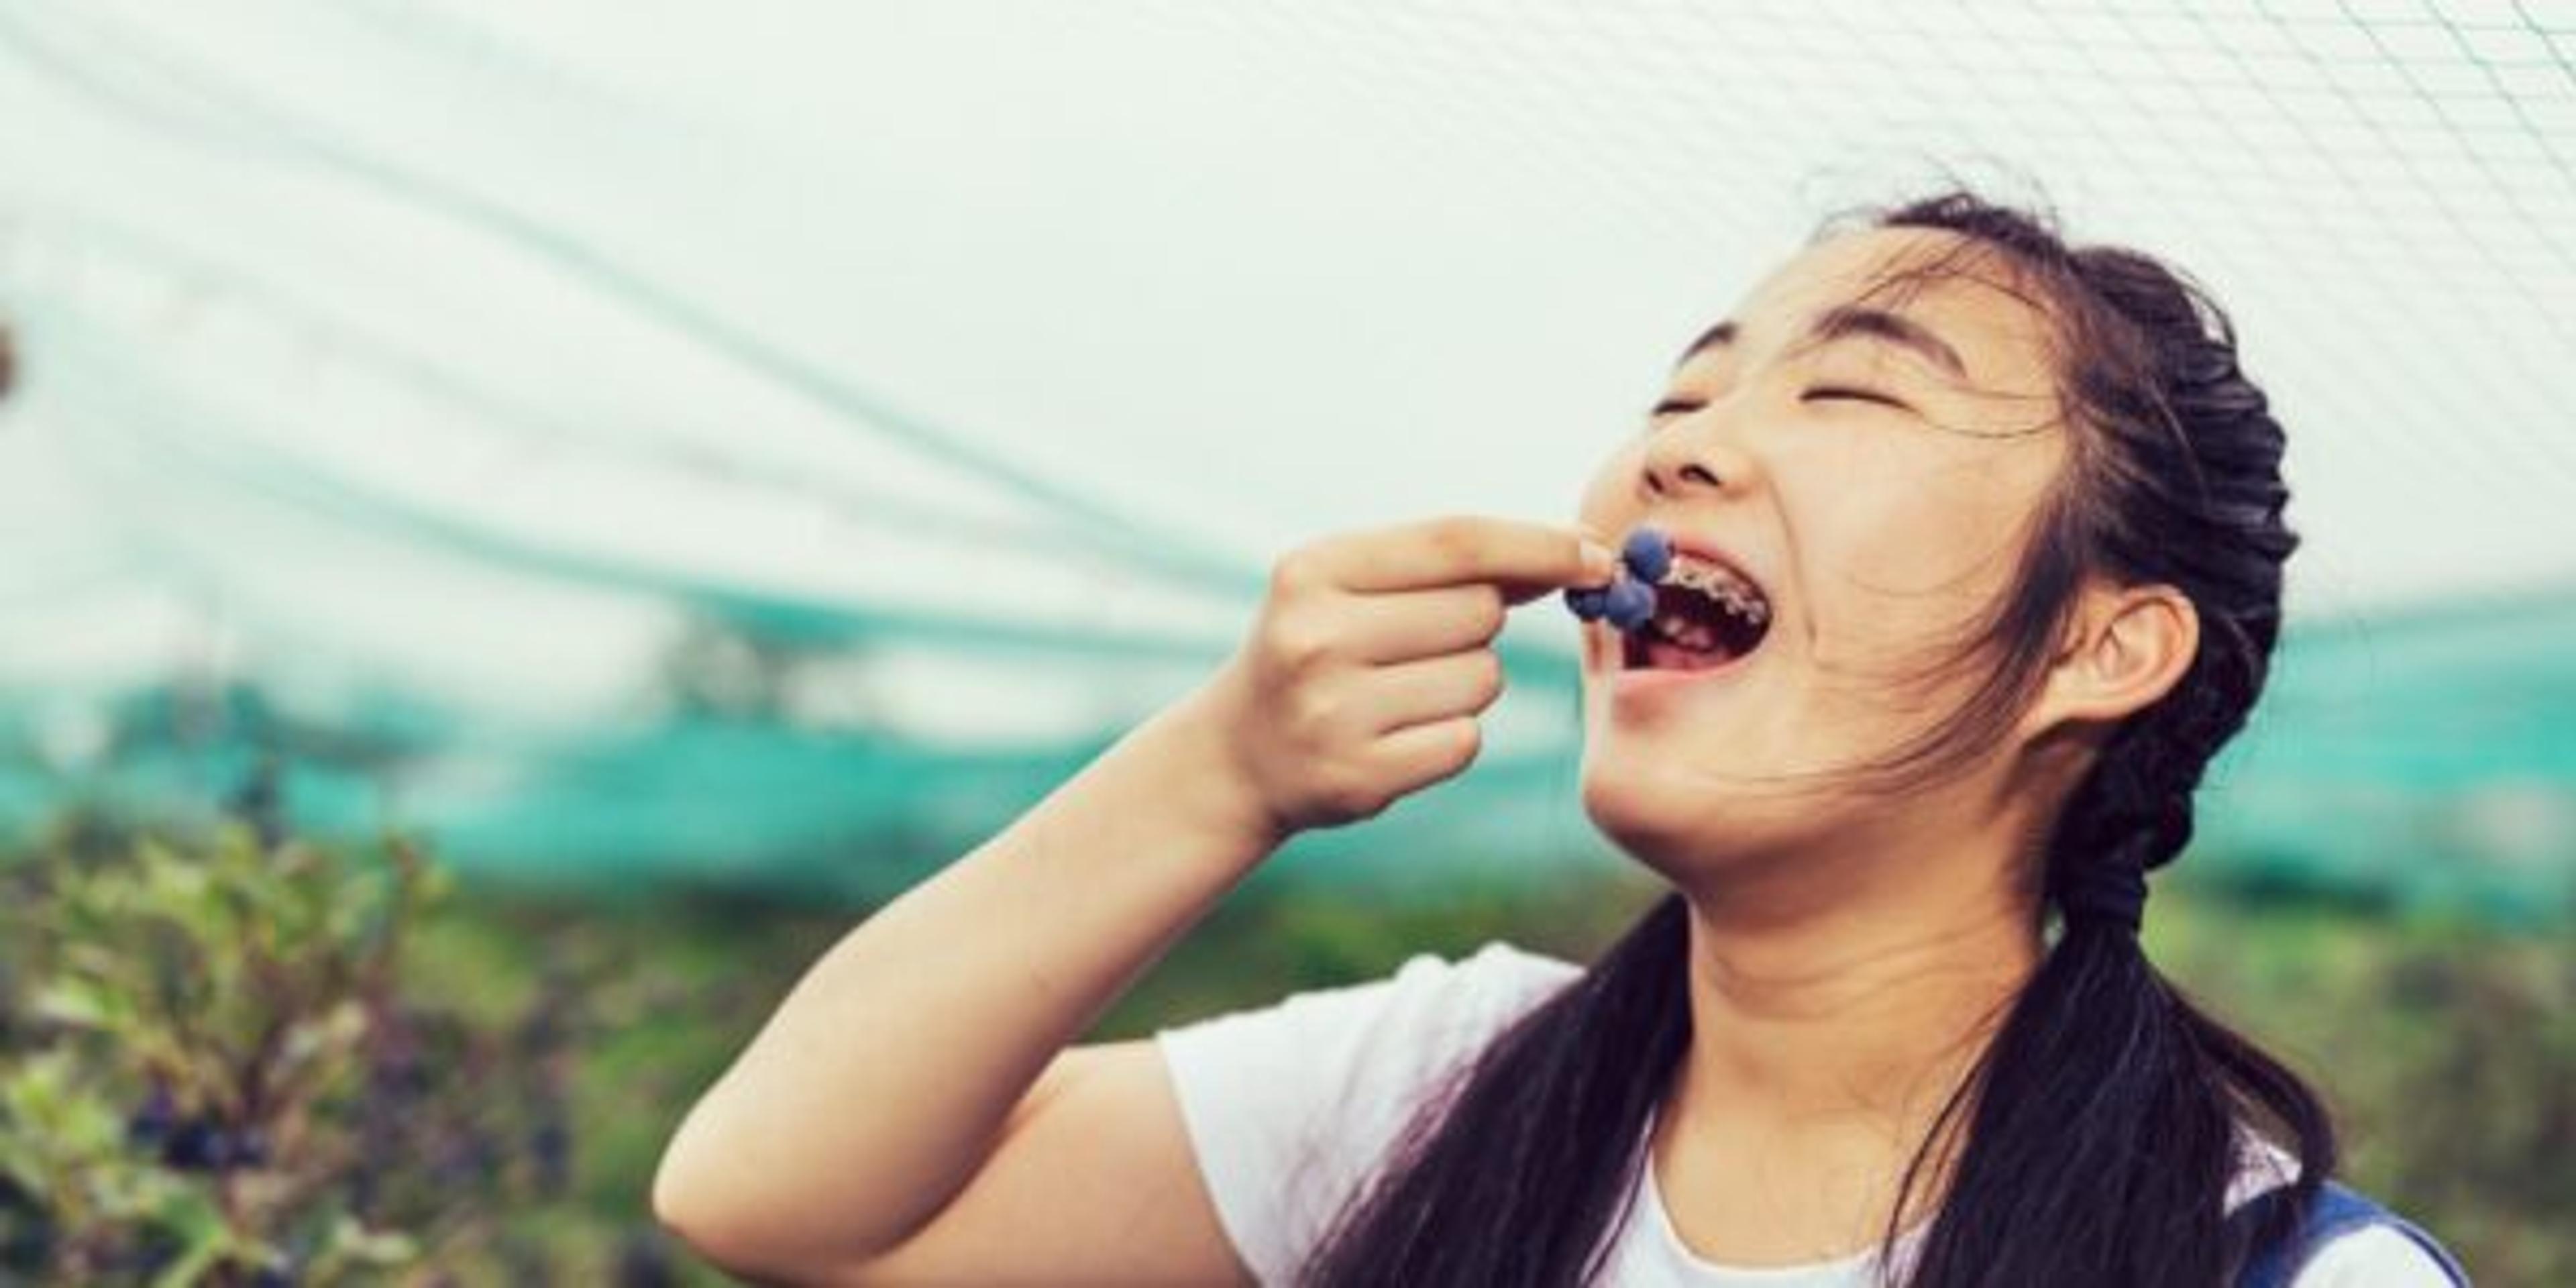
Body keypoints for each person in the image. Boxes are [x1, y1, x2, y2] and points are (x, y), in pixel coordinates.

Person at [651, 189, 2469, 1286]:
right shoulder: (1441, 1088)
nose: (1679, 448)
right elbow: (779, 1191)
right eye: (1682, 391)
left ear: (2102, 645)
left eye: (1851, 391)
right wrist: (1221, 769)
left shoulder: (2288, 1272)